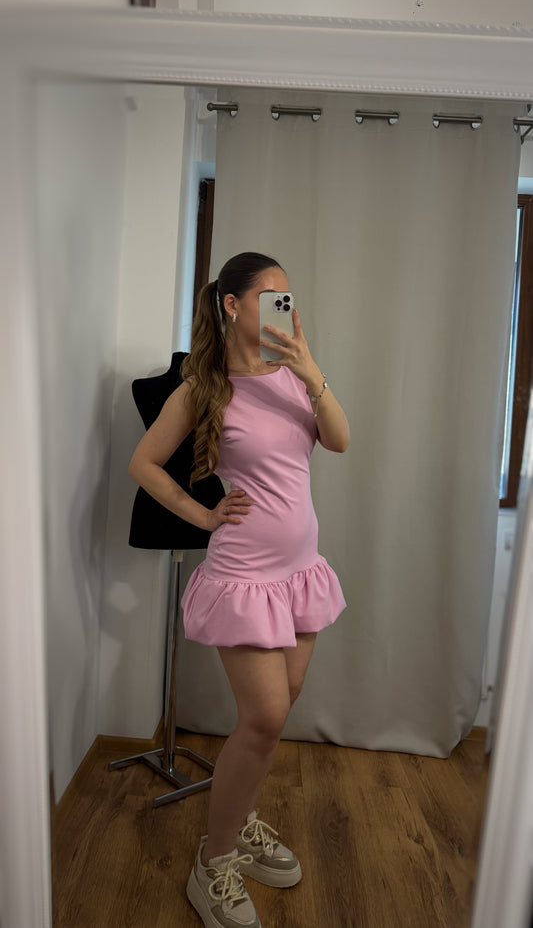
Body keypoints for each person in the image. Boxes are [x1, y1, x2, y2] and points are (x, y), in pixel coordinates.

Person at [128, 251, 350, 928]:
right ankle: (213, 861)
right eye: (272, 297)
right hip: (246, 576)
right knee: (266, 718)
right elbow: (144, 463)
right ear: (232, 304)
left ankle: (240, 821)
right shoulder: (204, 387)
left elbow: (340, 440)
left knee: (277, 711)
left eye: (289, 297)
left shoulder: (293, 375)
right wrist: (202, 516)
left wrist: (311, 373)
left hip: (299, 573)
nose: (286, 307)